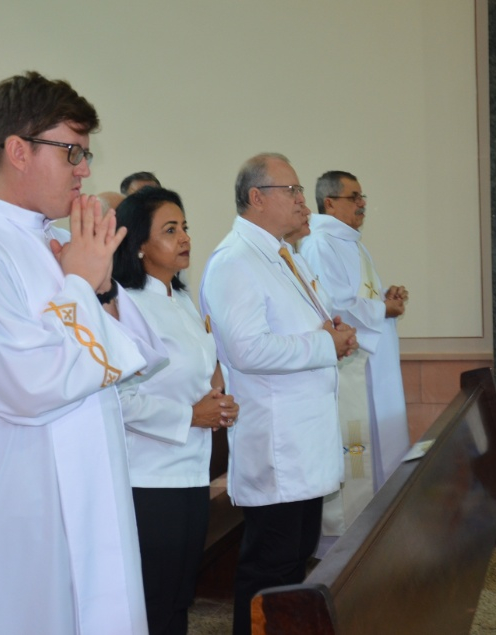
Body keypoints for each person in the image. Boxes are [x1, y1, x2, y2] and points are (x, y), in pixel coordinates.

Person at [0, 71, 164, 635]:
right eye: (72, 151)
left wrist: (95, 286)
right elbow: (25, 385)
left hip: (90, 483)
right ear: (18, 150)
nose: (85, 169)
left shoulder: (50, 239)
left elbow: (139, 354)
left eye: (86, 153)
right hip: (18, 510)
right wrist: (78, 285)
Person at [200, 153, 358, 635]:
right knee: (270, 567)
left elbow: (307, 324)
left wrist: (335, 332)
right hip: (278, 444)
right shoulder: (236, 261)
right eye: (290, 191)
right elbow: (245, 350)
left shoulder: (282, 254)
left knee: (293, 563)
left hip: (303, 440)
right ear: (256, 198)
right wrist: (323, 344)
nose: (301, 201)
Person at [113, 186, 239, 634]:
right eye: (170, 230)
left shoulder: (180, 298)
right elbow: (117, 399)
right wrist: (189, 415)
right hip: (149, 478)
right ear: (139, 244)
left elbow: (199, 369)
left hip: (190, 469)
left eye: (184, 227)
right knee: (155, 598)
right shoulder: (124, 305)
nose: (184, 237)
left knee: (181, 594)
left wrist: (217, 391)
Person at [299, 170, 411, 550]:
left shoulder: (352, 243)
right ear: (329, 202)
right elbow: (334, 304)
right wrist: (384, 308)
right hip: (352, 365)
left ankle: (375, 535)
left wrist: (386, 297)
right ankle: (344, 544)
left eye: (363, 196)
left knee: (378, 448)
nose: (362, 203)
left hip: (372, 363)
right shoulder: (319, 243)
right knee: (357, 449)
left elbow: (359, 296)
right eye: (354, 196)